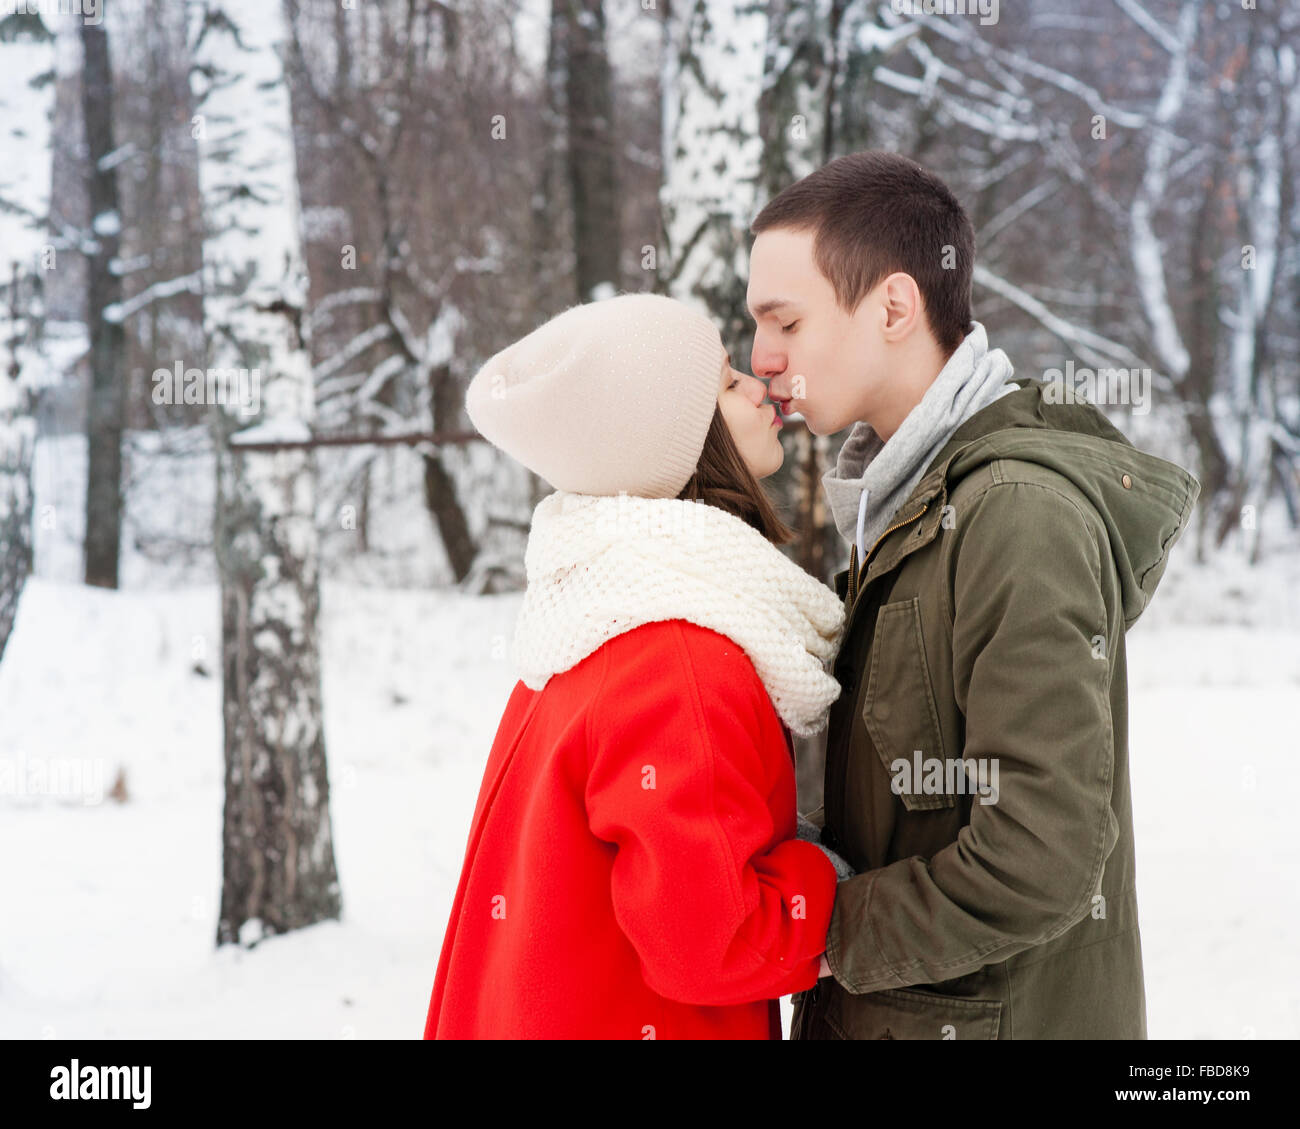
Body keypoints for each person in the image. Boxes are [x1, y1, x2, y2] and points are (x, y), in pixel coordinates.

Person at [747, 149, 1201, 1039]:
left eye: (785, 321)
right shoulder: (908, 504)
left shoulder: (1015, 517)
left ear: (893, 306)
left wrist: (825, 930)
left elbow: (1041, 854)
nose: (762, 355)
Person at [423, 291, 854, 1040]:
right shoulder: (679, 654)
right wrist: (828, 882)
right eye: (726, 383)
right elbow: (712, 940)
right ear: (676, 440)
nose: (760, 383)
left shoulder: (585, 619)